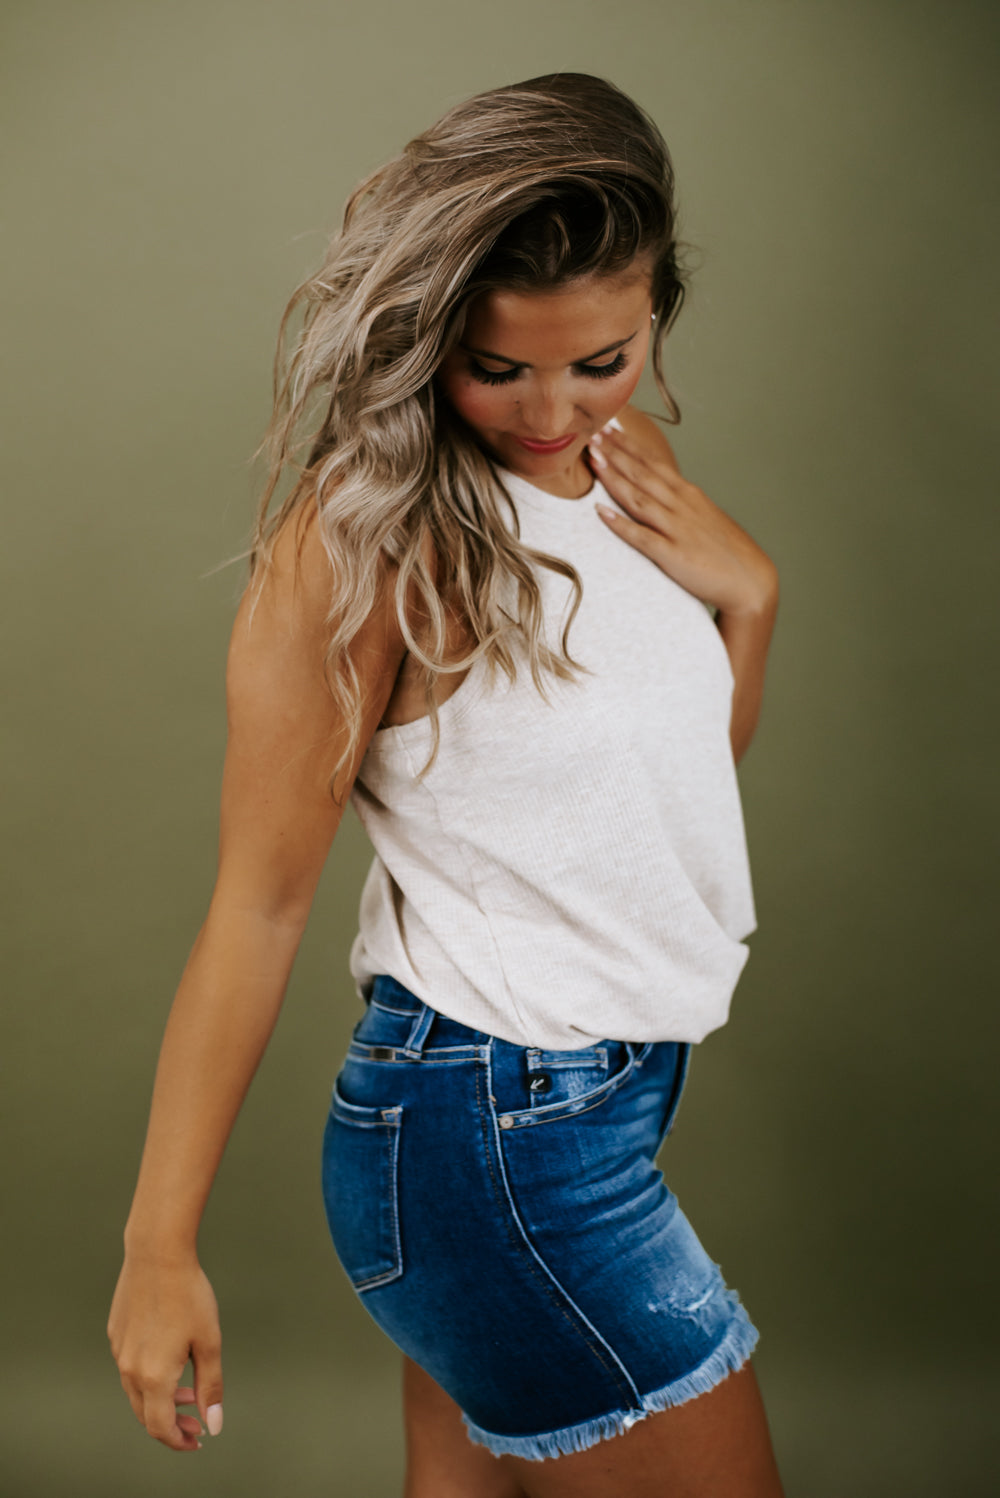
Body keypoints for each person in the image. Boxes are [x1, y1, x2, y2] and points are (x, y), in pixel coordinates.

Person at [108, 73, 784, 1497]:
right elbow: (259, 906)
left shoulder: (628, 465)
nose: (552, 411)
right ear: (429, 336)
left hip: (587, 1107)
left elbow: (652, 804)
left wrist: (752, 601)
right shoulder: (363, 544)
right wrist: (157, 1248)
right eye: (497, 368)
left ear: (657, 311)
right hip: (499, 1134)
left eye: (601, 359)